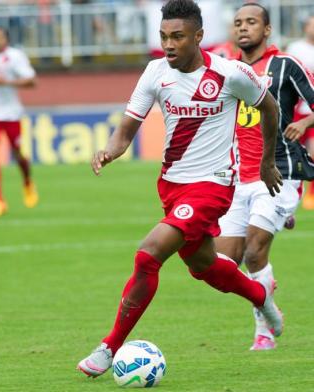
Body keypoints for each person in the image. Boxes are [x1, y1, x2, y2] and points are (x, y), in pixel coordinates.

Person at [77, 0, 283, 378]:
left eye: (177, 37)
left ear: (198, 37)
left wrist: (267, 163)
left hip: (213, 186)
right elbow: (127, 128)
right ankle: (260, 296)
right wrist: (110, 150)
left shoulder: (230, 73)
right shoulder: (156, 72)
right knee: (204, 267)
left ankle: (109, 346)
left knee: (148, 255)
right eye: (164, 37)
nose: (169, 44)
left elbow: (270, 108)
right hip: (173, 185)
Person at [215, 3, 314, 351]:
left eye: (252, 22)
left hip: (280, 172)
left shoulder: (285, 65)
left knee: (256, 253)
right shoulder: (228, 70)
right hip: (238, 177)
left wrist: (304, 122)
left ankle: (265, 327)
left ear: (267, 30)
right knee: (223, 267)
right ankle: (270, 303)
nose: (244, 28)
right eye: (239, 22)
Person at [0, 26, 38, 218]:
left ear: (6, 40)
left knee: (18, 154)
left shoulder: (15, 56)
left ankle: (27, 181)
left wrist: (9, 82)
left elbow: (32, 81)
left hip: (11, 114)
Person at [287, 15, 314, 210]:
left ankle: (310, 196)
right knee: (291, 153)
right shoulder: (295, 48)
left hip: (312, 110)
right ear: (306, 26)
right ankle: (290, 194)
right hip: (296, 110)